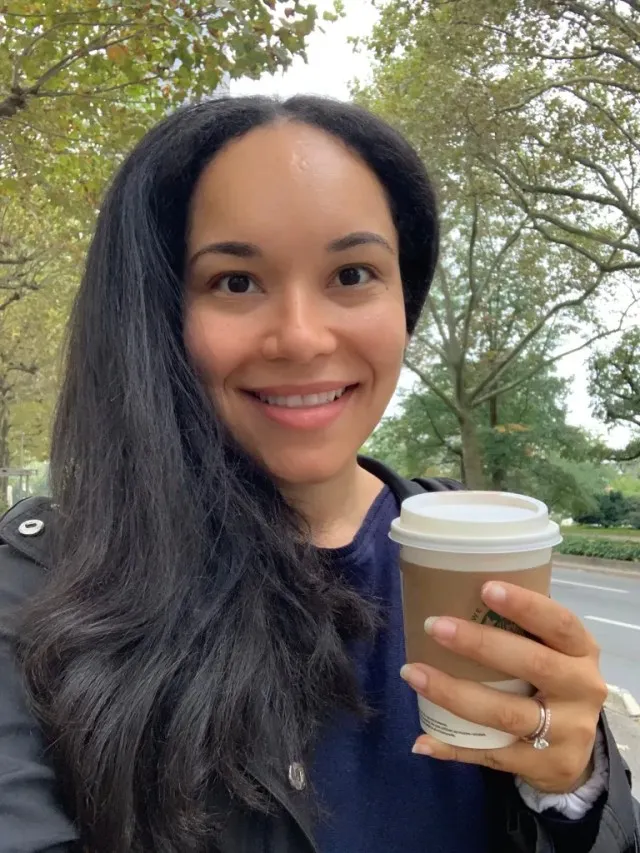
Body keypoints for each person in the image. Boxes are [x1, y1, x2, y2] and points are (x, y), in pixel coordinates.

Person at [0, 95, 638, 853]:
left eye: (353, 272)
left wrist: (574, 788)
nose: (302, 337)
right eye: (236, 281)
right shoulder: (38, 587)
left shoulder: (473, 546)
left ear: (406, 300)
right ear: (157, 313)